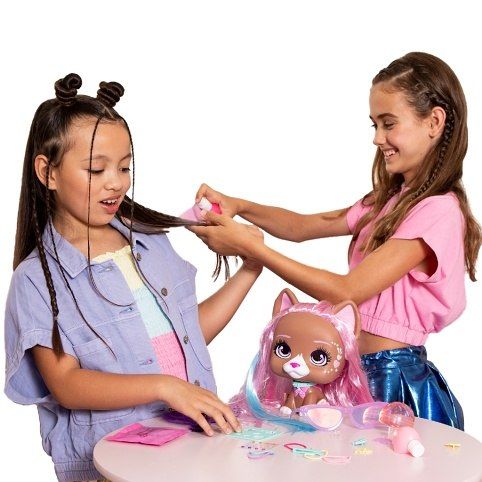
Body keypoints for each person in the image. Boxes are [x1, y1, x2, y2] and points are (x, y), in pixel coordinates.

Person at [190, 52, 481, 431]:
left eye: (389, 123)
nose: (377, 138)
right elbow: (302, 226)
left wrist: (252, 248)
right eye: (374, 125)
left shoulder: (438, 211)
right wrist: (240, 206)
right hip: (354, 374)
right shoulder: (388, 201)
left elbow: (348, 290)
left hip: (394, 381)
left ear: (434, 122)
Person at [4, 73, 262, 482]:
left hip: (190, 448)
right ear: (47, 172)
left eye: (124, 167)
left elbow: (186, 335)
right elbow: (66, 383)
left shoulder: (150, 243)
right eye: (96, 169)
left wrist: (250, 267)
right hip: (109, 465)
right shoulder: (35, 279)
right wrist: (166, 386)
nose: (116, 182)